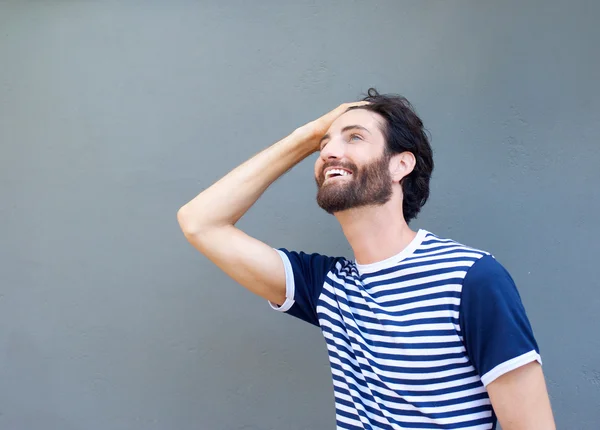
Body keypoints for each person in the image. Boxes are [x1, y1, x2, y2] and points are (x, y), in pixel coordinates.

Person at [177, 89, 556, 430]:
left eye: (355, 137)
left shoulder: (471, 279)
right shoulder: (328, 287)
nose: (329, 152)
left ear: (400, 165)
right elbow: (200, 222)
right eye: (324, 145)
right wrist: (307, 136)